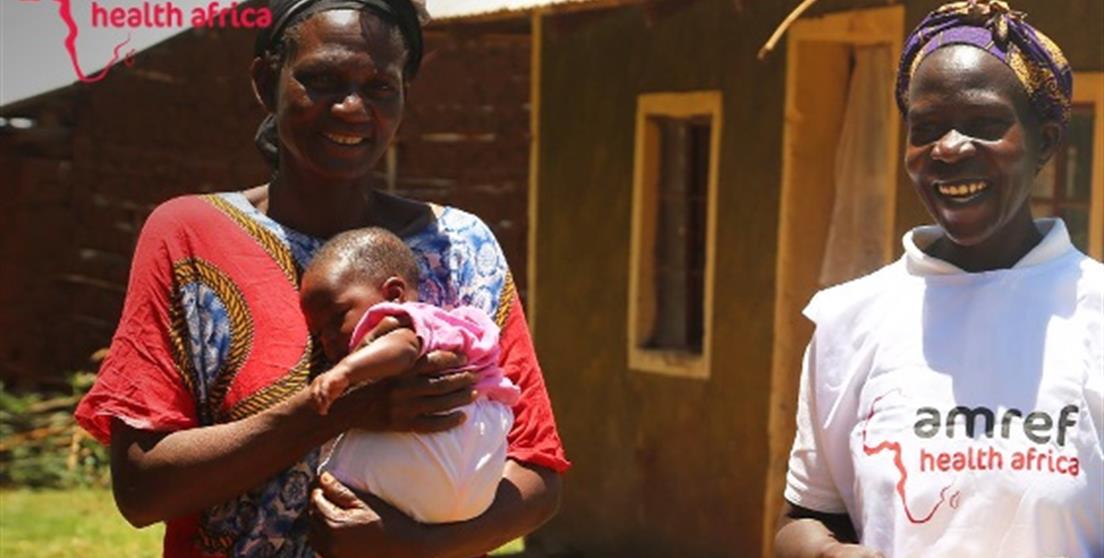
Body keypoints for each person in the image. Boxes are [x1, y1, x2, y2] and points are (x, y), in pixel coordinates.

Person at [73, 0, 570, 555]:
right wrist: (340, 408)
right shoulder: (192, 237)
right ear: (266, 82)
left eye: (380, 87)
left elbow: (537, 471)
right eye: (322, 80)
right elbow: (142, 490)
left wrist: (409, 547)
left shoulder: (458, 246)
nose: (352, 108)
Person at [775, 1, 1102, 557]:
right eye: (926, 128)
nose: (948, 148)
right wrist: (828, 553)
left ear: (1045, 142)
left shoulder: (1095, 314)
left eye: (983, 124)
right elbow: (804, 517)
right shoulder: (850, 320)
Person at [299, 227, 520, 524]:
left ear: (393, 295)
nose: (327, 339)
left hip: (431, 463)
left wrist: (344, 371)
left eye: (338, 317)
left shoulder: (408, 322)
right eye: (318, 334)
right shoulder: (448, 328)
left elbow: (402, 349)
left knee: (328, 479)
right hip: (476, 491)